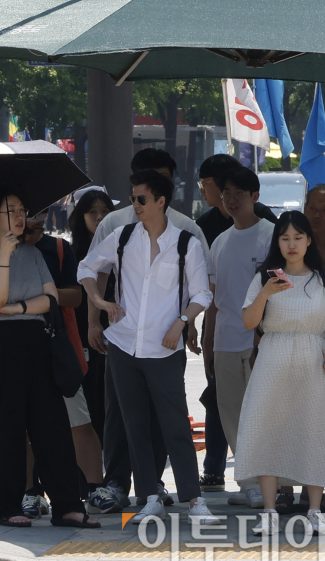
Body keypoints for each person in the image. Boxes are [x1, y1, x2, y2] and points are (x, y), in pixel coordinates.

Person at [77, 169, 219, 525]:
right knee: (133, 424)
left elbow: (202, 292)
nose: (135, 205)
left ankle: (193, 499)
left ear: (161, 201)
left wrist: (183, 322)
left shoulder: (186, 243)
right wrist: (100, 300)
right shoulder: (122, 237)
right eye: (132, 198)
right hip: (124, 344)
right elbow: (86, 268)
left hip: (165, 346)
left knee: (174, 424)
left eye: (141, 199)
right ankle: (149, 497)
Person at [0, 191, 99, 528]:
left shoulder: (34, 253)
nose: (19, 216)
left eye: (22, 210)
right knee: (6, 428)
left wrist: (17, 308)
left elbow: (51, 299)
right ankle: (9, 505)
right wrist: (6, 256)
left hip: (37, 340)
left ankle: (67, 504)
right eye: (10, 210)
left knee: (52, 425)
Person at [236, 211, 325, 536]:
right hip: (273, 357)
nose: (291, 244)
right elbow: (248, 322)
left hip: (314, 359)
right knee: (266, 430)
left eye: (298, 237)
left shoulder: (323, 278)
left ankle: (314, 510)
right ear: (277, 242)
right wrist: (265, 294)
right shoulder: (265, 278)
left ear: (308, 241)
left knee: (314, 430)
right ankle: (270, 512)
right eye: (285, 238)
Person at [21, 211, 119, 516]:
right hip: (17, 346)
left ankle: (94, 487)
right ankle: (30, 492)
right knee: (24, 427)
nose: (34, 233)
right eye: (28, 228)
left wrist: (42, 296)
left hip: (55, 344)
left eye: (39, 227)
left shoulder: (59, 250)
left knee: (79, 421)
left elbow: (75, 296)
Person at [194, 155, 278, 494]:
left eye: (239, 193)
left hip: (263, 340)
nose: (231, 199)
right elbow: (215, 299)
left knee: (264, 415)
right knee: (231, 413)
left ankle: (270, 481)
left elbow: (280, 293)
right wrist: (207, 338)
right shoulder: (219, 242)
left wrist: (264, 337)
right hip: (226, 339)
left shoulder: (273, 236)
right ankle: (248, 483)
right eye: (226, 192)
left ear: (254, 196)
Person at [68, 188, 114, 442]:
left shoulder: (123, 250)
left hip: (117, 334)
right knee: (88, 400)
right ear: (79, 216)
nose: (99, 217)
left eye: (105, 212)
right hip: (81, 337)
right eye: (92, 212)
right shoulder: (71, 254)